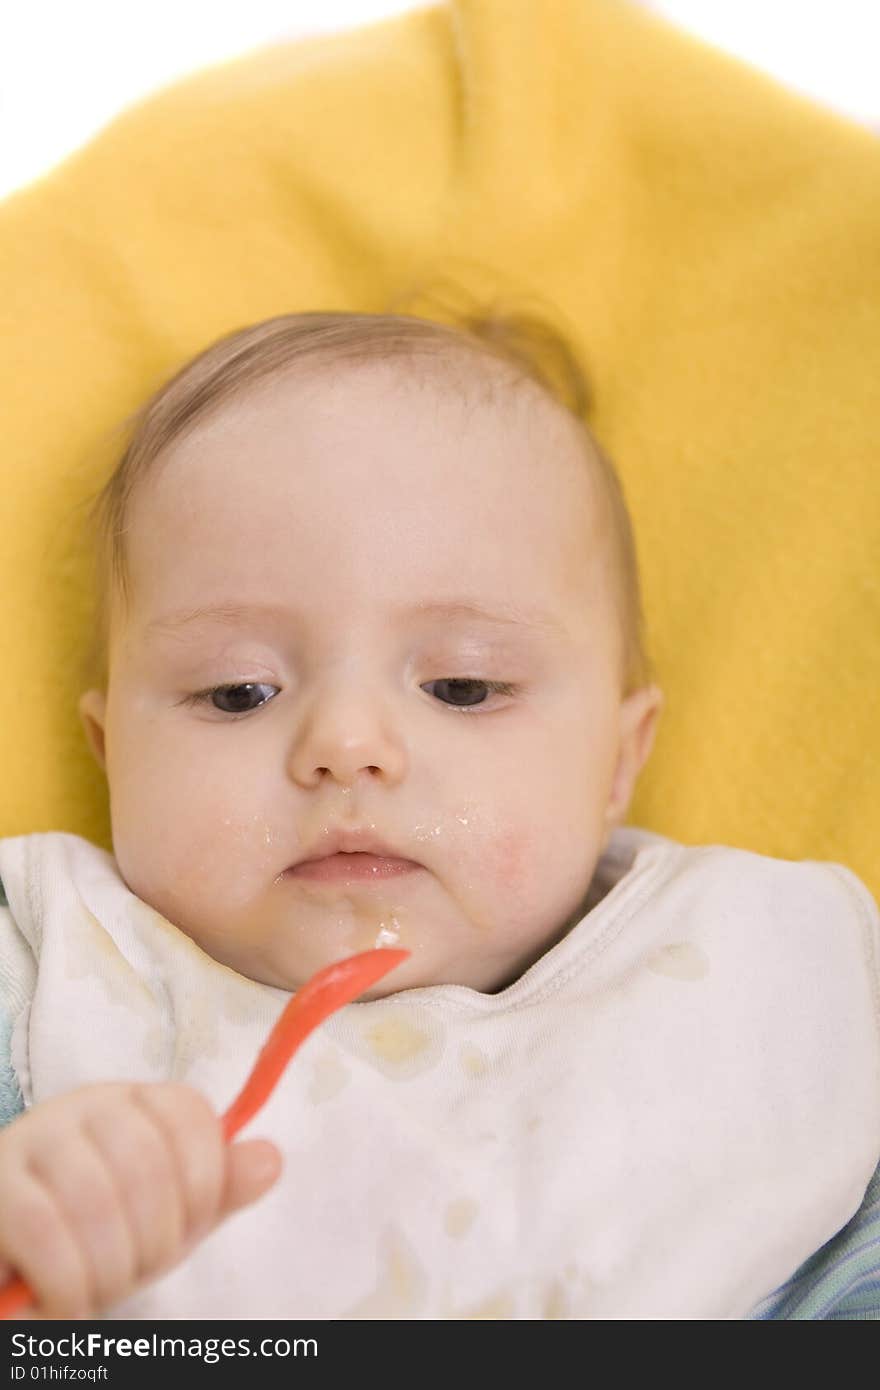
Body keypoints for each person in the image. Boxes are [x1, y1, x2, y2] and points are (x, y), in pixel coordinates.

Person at [0, 307, 877, 1320]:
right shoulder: (49, 971)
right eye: (238, 691)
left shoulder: (763, 976)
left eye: (461, 686)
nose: (348, 742)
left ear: (617, 760)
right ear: (112, 756)